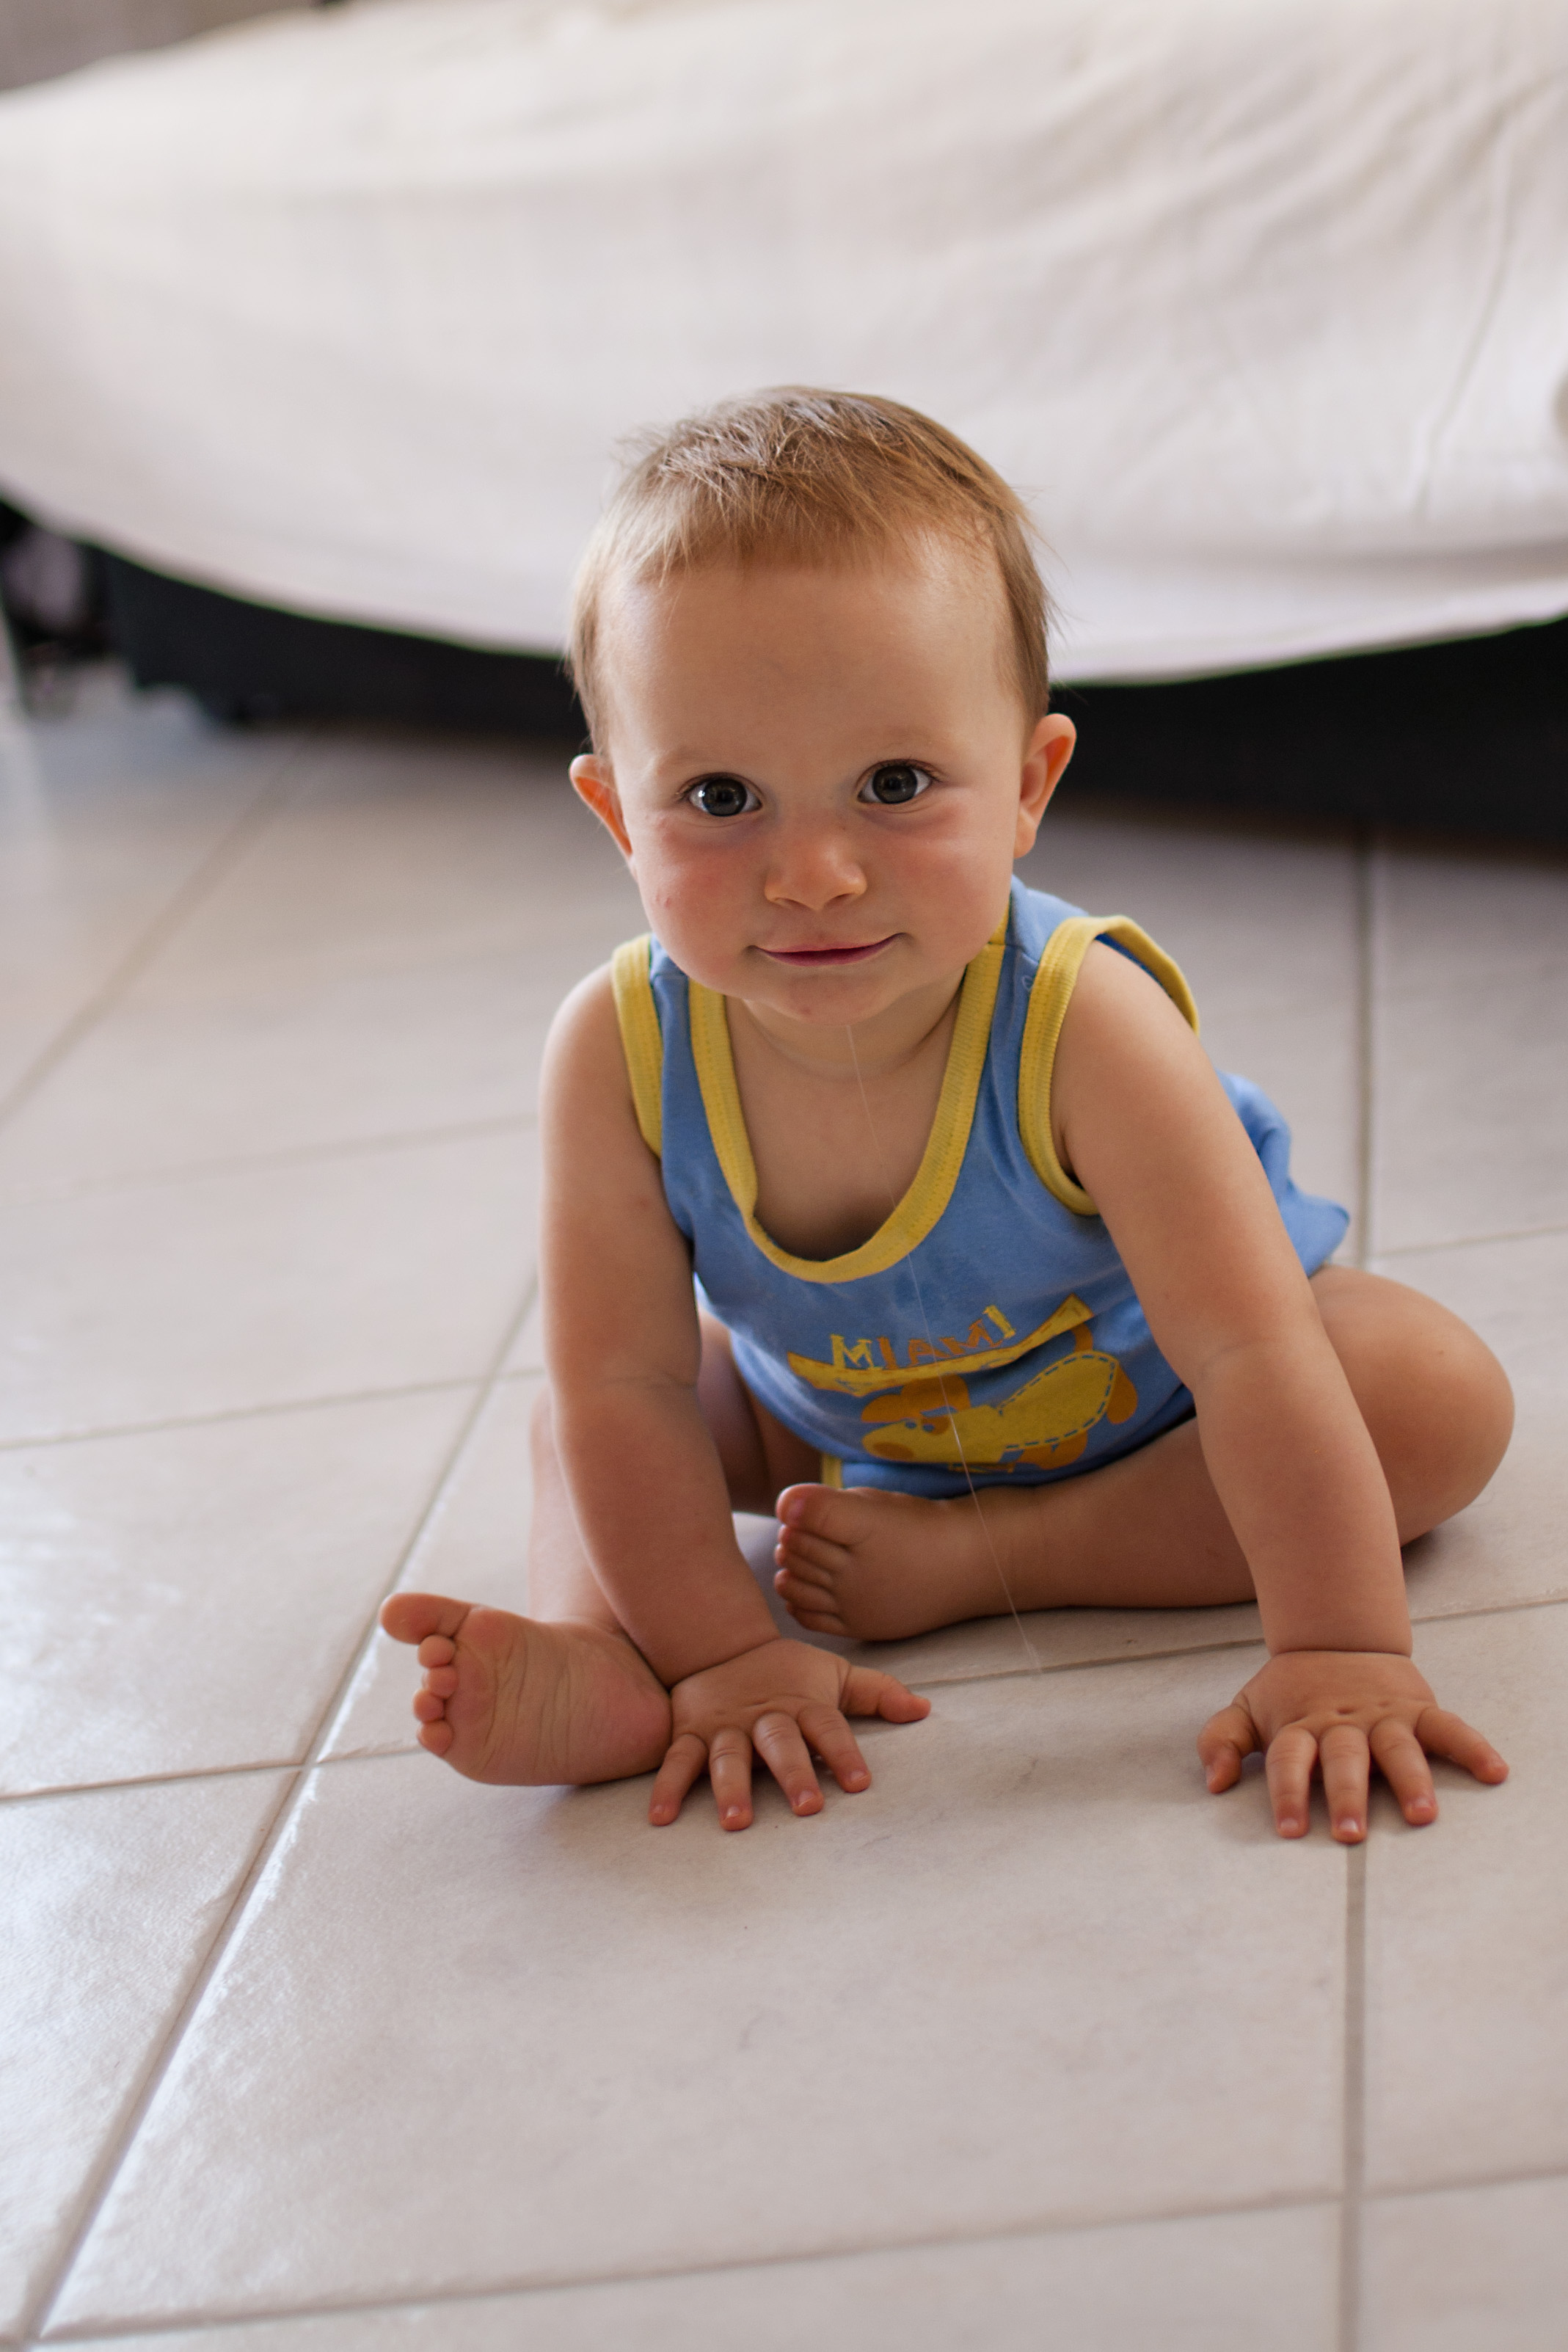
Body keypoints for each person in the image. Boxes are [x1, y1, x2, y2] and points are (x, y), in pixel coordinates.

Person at [383, 388, 1513, 1841]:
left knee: (1428, 1393)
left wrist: (1340, 1648)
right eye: (719, 797)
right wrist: (728, 1653)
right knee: (583, 1418)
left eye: (894, 784)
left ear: (1027, 786)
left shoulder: (1084, 1022)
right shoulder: (617, 1049)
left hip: (1152, 1411)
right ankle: (608, 1652)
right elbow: (629, 1388)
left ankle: (1002, 1554)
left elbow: (1246, 1351)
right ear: (616, 818)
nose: (814, 872)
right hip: (831, 1421)